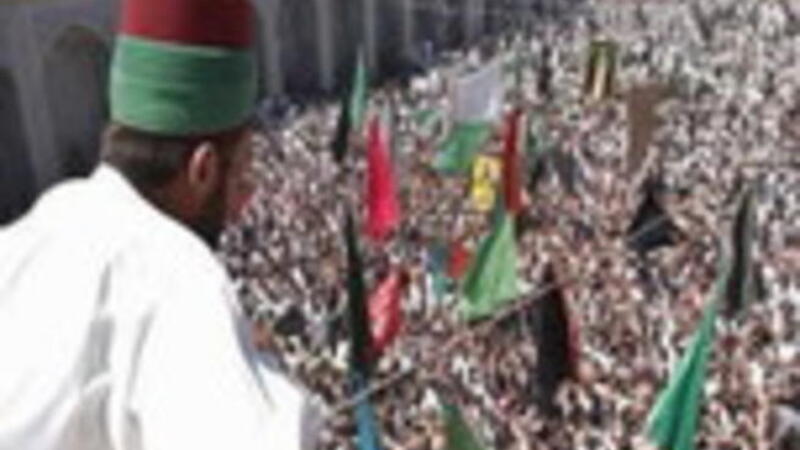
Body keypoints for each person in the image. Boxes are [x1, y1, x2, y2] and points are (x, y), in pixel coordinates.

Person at [0, 0, 319, 449]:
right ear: (203, 169)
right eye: (243, 177)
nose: (244, 206)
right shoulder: (176, 276)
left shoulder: (24, 238)